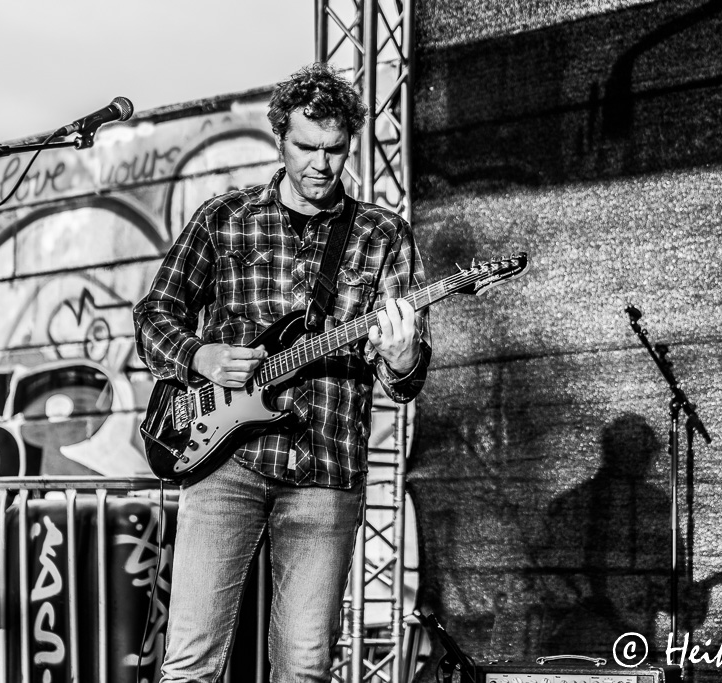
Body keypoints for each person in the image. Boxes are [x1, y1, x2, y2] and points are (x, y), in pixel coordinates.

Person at [133, 62, 431, 683]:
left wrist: (402, 358)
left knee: (304, 666)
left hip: (326, 466)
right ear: (279, 139)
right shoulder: (224, 218)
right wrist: (201, 356)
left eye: (335, 150)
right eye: (306, 147)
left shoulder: (382, 235)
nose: (321, 164)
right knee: (190, 661)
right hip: (223, 461)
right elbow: (154, 316)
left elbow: (403, 381)